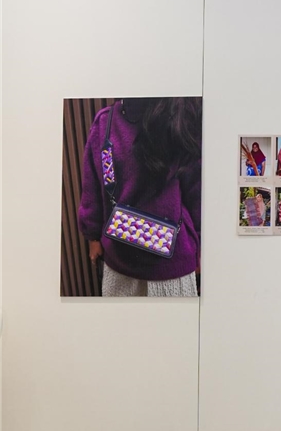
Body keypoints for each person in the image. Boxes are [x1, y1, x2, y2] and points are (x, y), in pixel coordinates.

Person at [78, 97, 202, 296]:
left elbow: (197, 192)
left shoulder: (181, 117)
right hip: (120, 264)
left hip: (174, 265)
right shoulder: (105, 123)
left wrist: (202, 248)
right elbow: (92, 184)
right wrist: (92, 236)